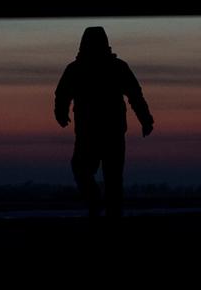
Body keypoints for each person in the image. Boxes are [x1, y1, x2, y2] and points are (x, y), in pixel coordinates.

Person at [54, 26, 153, 219]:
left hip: (100, 132)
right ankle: (100, 205)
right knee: (101, 175)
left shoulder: (80, 69)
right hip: (100, 132)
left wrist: (146, 119)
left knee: (103, 176)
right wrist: (145, 119)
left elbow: (135, 95)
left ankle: (104, 210)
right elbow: (62, 94)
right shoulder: (110, 67)